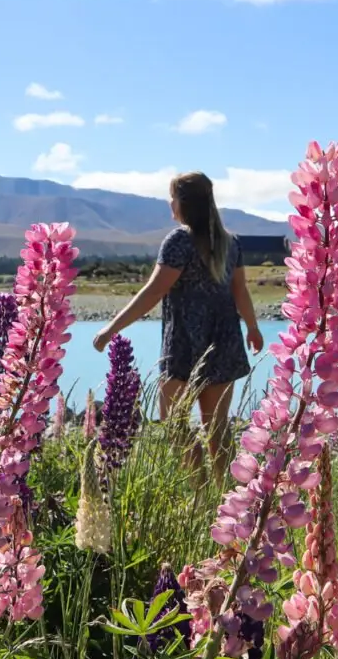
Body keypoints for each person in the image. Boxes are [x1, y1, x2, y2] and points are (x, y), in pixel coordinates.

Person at [93, 171, 263, 475]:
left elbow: (154, 291)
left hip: (185, 343)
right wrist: (252, 327)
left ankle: (201, 496)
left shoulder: (179, 240)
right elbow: (241, 291)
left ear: (184, 203)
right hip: (224, 342)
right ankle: (225, 501)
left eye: (172, 198)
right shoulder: (230, 242)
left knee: (173, 423)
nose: (170, 204)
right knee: (218, 430)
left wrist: (111, 328)